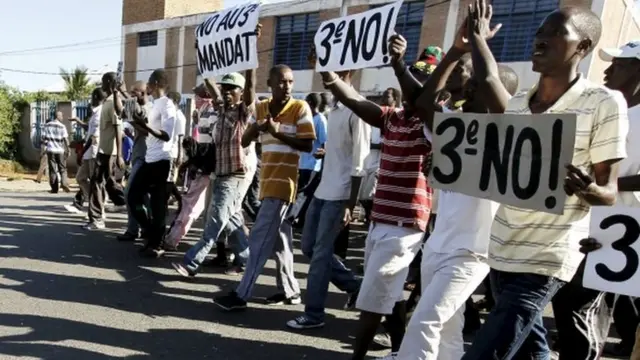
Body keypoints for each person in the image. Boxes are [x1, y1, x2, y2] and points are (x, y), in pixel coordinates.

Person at [461, 6, 628, 360]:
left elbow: (609, 193)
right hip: (503, 246)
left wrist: (587, 189)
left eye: (555, 32)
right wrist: (476, 38)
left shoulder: (604, 102)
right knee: (528, 349)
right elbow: (490, 81)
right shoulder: (521, 102)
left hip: (549, 256)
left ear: (581, 47)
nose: (540, 37)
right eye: (539, 30)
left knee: (485, 353)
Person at [391, 2, 517, 359]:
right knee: (448, 329)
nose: (466, 89)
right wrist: (456, 51)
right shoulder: (453, 129)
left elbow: (495, 89)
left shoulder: (507, 134)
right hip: (438, 245)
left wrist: (479, 43)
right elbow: (424, 101)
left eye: (475, 85)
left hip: (472, 252)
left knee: (424, 322)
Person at [311, 35, 433, 358]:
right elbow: (353, 100)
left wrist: (398, 65)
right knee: (389, 296)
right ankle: (399, 351)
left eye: (420, 84)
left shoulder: (433, 124)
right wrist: (329, 75)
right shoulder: (392, 117)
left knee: (373, 298)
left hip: (405, 224)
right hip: (381, 220)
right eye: (412, 80)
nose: (411, 88)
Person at [551, 39, 640, 360]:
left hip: (619, 232)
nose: (608, 69)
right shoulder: (604, 110)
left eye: (621, 63)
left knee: (579, 307)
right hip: (584, 227)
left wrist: (602, 185)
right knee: (577, 308)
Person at [213, 64, 316, 311]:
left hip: (284, 184)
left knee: (258, 240)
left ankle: (242, 294)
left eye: (290, 82)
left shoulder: (300, 108)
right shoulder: (261, 108)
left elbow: (308, 145)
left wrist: (277, 131)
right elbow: (246, 140)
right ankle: (290, 291)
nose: (287, 86)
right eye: (281, 82)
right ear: (270, 84)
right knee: (280, 241)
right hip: (267, 181)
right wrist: (257, 128)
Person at [286, 69, 370, 330]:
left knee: (321, 255)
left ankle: (314, 314)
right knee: (309, 248)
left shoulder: (359, 109)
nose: (326, 74)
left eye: (335, 69)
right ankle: (356, 287)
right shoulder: (334, 109)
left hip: (341, 194)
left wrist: (351, 204)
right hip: (323, 189)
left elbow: (360, 162)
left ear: (350, 72)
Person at [172, 69, 258, 277]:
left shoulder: (243, 112)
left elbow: (251, 90)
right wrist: (205, 61)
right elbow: (211, 85)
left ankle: (191, 262)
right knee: (231, 220)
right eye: (224, 89)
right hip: (219, 174)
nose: (227, 93)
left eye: (232, 89)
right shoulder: (221, 110)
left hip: (234, 175)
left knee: (215, 219)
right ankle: (248, 259)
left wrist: (251, 65)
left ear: (241, 92)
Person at [127, 69, 176, 258]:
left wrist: (146, 125)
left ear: (155, 84)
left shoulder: (167, 106)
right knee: (133, 197)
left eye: (149, 82)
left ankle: (157, 243)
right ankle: (149, 230)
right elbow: (150, 132)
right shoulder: (156, 105)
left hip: (162, 161)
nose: (147, 85)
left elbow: (166, 135)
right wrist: (137, 123)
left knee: (157, 205)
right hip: (150, 158)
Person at [85, 72, 127, 230]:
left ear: (109, 82)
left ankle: (96, 219)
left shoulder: (112, 103)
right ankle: (121, 203)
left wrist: (119, 155)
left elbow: (118, 128)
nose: (101, 85)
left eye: (103, 81)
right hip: (105, 151)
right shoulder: (107, 103)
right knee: (107, 183)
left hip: (109, 152)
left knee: (97, 183)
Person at [164, 136, 215, 250]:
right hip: (210, 176)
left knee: (189, 210)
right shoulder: (202, 150)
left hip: (204, 177)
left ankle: (172, 239)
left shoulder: (200, 156)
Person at [118, 81, 152, 242]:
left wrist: (133, 122)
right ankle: (143, 228)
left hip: (147, 157)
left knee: (130, 193)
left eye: (134, 93)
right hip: (139, 155)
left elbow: (147, 131)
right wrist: (119, 93)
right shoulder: (139, 108)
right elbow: (125, 112)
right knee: (142, 197)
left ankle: (136, 228)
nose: (132, 96)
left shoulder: (151, 109)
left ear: (144, 93)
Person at [288, 92, 328, 228]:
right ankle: (299, 218)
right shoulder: (307, 119)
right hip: (302, 162)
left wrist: (322, 153)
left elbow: (325, 143)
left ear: (310, 103)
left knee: (304, 193)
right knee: (301, 192)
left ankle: (294, 218)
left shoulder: (320, 120)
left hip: (312, 165)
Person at [65, 88, 106, 213]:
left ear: (95, 97)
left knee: (95, 182)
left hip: (93, 151)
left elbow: (94, 136)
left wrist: (82, 151)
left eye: (91, 97)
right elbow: (89, 129)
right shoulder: (95, 113)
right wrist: (78, 121)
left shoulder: (100, 113)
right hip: (89, 152)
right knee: (80, 178)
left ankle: (98, 208)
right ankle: (92, 202)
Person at [41, 110, 71, 193]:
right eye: (61, 116)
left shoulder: (47, 126)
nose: (62, 117)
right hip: (60, 151)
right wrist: (68, 149)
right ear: (57, 116)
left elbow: (43, 139)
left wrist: (44, 149)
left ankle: (54, 189)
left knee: (53, 169)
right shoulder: (62, 126)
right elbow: (65, 139)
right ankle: (64, 183)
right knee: (63, 168)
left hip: (51, 150)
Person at [167, 91, 186, 209]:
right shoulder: (172, 115)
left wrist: (180, 155)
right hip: (167, 152)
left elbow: (180, 138)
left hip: (173, 153)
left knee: (169, 181)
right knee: (167, 181)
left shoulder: (179, 117)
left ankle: (180, 200)